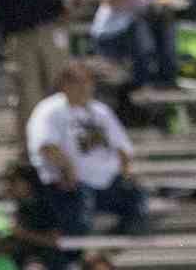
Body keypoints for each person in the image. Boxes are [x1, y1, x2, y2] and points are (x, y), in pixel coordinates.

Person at [25, 60, 143, 234]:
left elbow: (123, 148)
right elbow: (46, 146)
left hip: (107, 184)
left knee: (136, 196)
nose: (85, 87)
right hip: (70, 185)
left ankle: (112, 247)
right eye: (78, 82)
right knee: (77, 203)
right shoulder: (49, 109)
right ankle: (80, 250)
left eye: (88, 82)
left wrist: (124, 175)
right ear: (64, 84)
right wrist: (68, 169)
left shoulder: (100, 111)